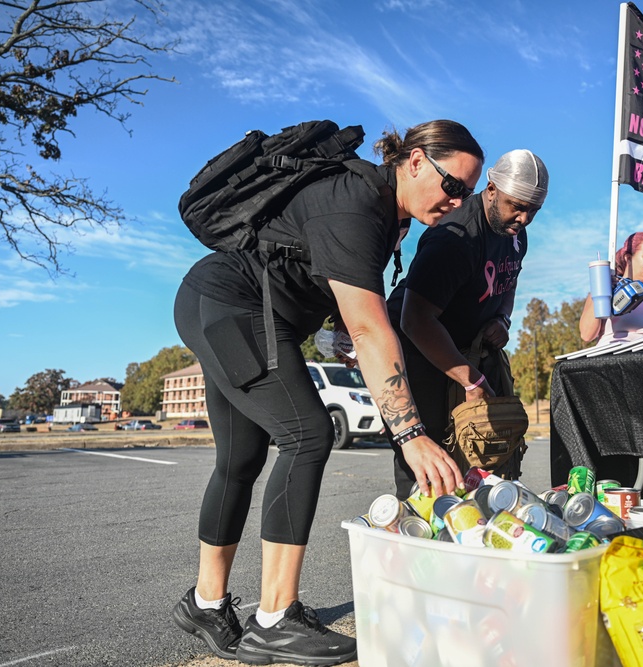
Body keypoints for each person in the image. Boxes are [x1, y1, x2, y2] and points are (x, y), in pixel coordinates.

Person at [170, 120, 484, 666]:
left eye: (467, 194)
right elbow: (371, 328)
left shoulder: (387, 217)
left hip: (232, 309)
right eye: (452, 185)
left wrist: (342, 327)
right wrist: (410, 432)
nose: (457, 202)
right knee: (308, 436)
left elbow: (347, 311)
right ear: (414, 162)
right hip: (228, 304)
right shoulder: (359, 201)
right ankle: (274, 619)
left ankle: (205, 603)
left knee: (240, 459)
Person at [386, 149, 549, 498]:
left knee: (484, 460)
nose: (523, 218)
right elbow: (415, 319)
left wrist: (503, 318)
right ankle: (420, 541)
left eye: (532, 210)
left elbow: (509, 278)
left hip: (467, 346)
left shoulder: (515, 233)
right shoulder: (455, 238)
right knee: (430, 470)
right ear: (490, 189)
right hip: (418, 350)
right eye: (515, 206)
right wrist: (469, 378)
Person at [579, 231, 643, 345]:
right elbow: (586, 335)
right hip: (610, 359)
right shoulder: (604, 291)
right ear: (628, 258)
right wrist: (603, 290)